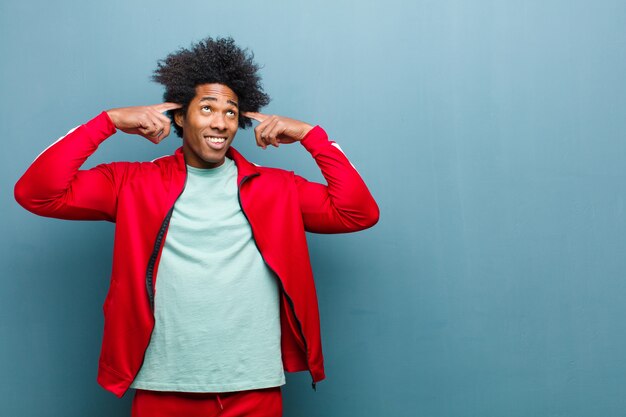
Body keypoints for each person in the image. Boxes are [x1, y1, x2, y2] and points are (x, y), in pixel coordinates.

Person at [14, 37, 379, 417]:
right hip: (164, 383)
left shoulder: (277, 188)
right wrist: (106, 123)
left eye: (231, 112)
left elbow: (357, 212)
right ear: (179, 117)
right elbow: (38, 193)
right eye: (206, 108)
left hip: (254, 384)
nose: (220, 122)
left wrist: (310, 136)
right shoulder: (132, 183)